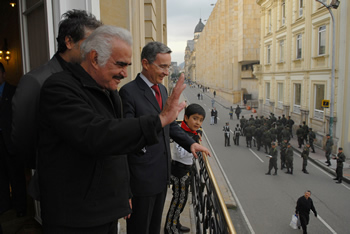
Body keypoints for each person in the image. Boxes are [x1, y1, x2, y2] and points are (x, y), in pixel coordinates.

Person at [37, 25, 209, 233]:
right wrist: (160, 119)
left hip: (106, 207)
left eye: (127, 65)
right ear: (94, 58)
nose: (124, 73)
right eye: (120, 64)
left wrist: (122, 192)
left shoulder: (109, 91)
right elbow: (99, 134)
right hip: (76, 216)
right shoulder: (59, 88)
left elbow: (117, 152)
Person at [119, 41, 210, 234]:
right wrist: (124, 189)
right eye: (162, 66)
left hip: (161, 176)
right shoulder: (128, 93)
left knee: (154, 229)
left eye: (169, 66)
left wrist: (190, 143)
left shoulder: (162, 90)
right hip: (140, 180)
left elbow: (168, 125)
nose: (167, 72)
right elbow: (125, 139)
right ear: (145, 63)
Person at [12, 10, 103, 170]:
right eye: (90, 43)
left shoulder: (91, 78)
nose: (95, 50)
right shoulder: (35, 81)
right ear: (69, 42)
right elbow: (23, 139)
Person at [164, 103, 205, 234]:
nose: (198, 122)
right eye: (195, 118)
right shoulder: (181, 133)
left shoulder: (191, 132)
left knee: (183, 199)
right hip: (179, 172)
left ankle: (176, 222)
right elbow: (181, 153)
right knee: (178, 200)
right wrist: (192, 141)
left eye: (200, 120)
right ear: (186, 118)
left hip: (185, 171)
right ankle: (169, 227)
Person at [0, 62, 27, 217]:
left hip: (11, 141)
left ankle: (21, 209)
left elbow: (20, 117)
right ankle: (4, 207)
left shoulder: (13, 92)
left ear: (3, 74)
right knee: (1, 177)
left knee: (16, 177)